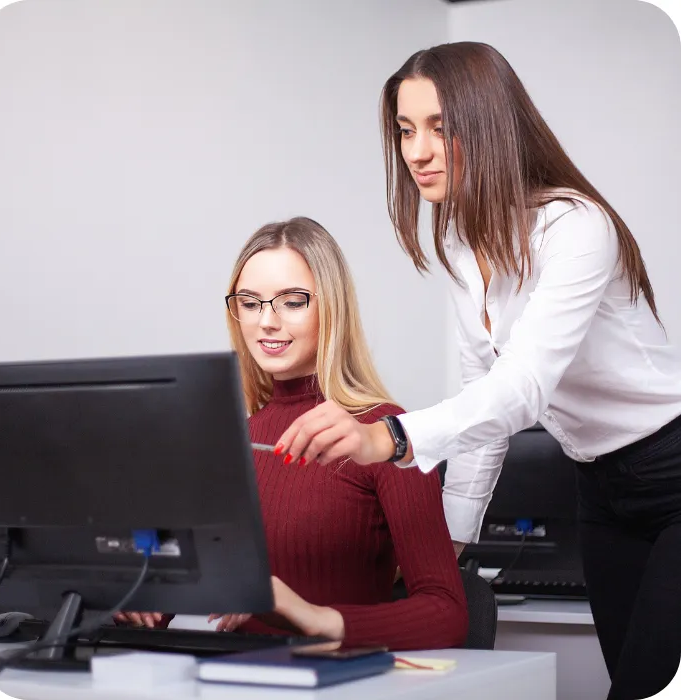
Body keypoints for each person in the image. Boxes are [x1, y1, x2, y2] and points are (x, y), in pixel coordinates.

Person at [275, 43, 681, 699]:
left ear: (488, 123)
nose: (417, 151)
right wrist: (452, 545)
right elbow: (483, 399)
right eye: (406, 130)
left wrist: (392, 437)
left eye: (440, 126)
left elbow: (522, 390)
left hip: (671, 467)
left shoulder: (575, 227)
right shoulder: (461, 239)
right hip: (600, 490)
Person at [116, 216, 468, 651]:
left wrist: (316, 618)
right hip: (234, 679)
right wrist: (137, 602)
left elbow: (447, 613)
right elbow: (174, 589)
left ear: (331, 307)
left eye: (292, 301)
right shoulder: (231, 441)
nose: (267, 322)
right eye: (250, 302)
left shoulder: (384, 434)